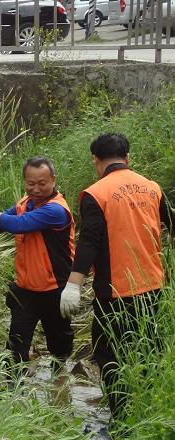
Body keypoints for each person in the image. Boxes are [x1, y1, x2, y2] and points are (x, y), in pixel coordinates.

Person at [60, 133, 171, 419]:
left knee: (108, 354)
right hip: (154, 288)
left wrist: (73, 284)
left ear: (96, 161)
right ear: (128, 158)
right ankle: (150, 412)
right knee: (150, 351)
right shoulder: (152, 187)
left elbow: (90, 241)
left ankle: (121, 418)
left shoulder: (97, 193)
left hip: (116, 293)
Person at [0, 157, 75, 372]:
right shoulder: (24, 204)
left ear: (53, 180)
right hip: (25, 289)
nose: (36, 189)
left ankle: (60, 380)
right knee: (16, 344)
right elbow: (1, 222)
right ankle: (14, 389)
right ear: (24, 181)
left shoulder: (56, 210)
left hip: (55, 289)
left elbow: (17, 224)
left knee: (59, 344)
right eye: (30, 183)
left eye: (42, 183)